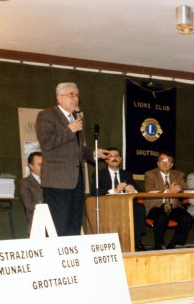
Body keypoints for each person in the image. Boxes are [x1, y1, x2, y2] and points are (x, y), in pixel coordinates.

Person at [35, 82, 107, 236]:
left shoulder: (76, 118)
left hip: (77, 180)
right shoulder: (46, 115)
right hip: (57, 181)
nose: (75, 99)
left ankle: (71, 258)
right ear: (59, 98)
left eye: (77, 95)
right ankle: (56, 259)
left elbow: (76, 148)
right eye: (71, 95)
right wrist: (69, 130)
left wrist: (92, 153)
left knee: (74, 225)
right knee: (58, 225)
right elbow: (46, 143)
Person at [94, 147, 147, 250]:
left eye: (117, 156)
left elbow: (140, 192)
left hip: (125, 205)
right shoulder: (99, 174)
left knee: (139, 207)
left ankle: (137, 243)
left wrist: (133, 190)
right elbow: (95, 192)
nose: (114, 158)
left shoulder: (126, 174)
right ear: (106, 160)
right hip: (108, 205)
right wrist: (115, 190)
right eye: (111, 156)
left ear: (121, 159)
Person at [143, 153, 192, 250]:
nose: (165, 163)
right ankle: (159, 245)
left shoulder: (178, 175)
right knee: (162, 217)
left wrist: (180, 189)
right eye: (162, 160)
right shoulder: (150, 174)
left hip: (173, 206)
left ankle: (173, 244)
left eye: (168, 160)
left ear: (172, 164)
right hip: (156, 206)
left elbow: (185, 189)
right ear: (158, 163)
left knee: (187, 218)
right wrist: (167, 191)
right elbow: (149, 191)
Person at [19, 151, 43, 234]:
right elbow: (29, 205)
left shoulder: (50, 181)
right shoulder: (25, 182)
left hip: (55, 224)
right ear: (31, 166)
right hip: (37, 225)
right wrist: (48, 201)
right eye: (40, 165)